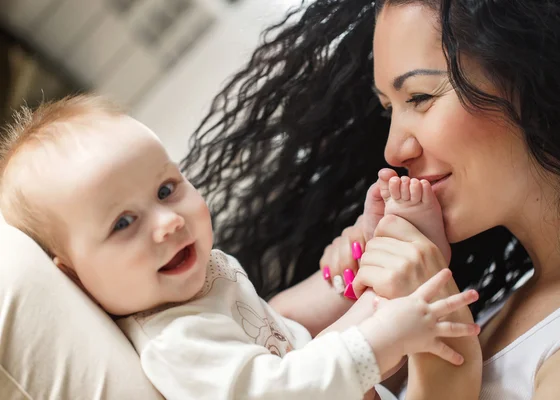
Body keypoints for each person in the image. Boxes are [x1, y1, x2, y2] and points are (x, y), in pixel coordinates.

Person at [181, 0, 560, 399]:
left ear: (536, 75)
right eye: (389, 110)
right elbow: (268, 378)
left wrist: (442, 376)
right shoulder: (501, 303)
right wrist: (352, 292)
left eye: (419, 97)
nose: (394, 151)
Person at [0, 95, 480, 400]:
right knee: (446, 364)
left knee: (389, 310)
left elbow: (286, 332)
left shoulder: (200, 276)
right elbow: (282, 390)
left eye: (167, 189)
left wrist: (366, 261)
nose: (167, 223)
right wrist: (386, 335)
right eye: (123, 223)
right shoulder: (177, 344)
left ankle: (401, 257)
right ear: (74, 275)